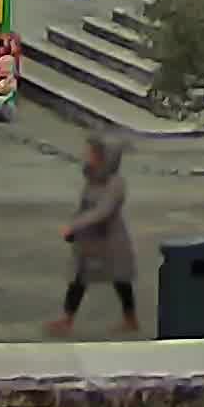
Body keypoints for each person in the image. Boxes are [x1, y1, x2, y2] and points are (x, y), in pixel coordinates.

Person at [46, 136, 136, 336]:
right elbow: (84, 207)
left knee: (120, 279)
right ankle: (67, 319)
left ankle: (131, 319)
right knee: (79, 277)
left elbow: (103, 211)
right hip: (88, 239)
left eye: (92, 153)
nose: (87, 156)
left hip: (110, 240)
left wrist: (74, 226)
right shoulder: (92, 178)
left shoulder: (115, 183)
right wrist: (74, 228)